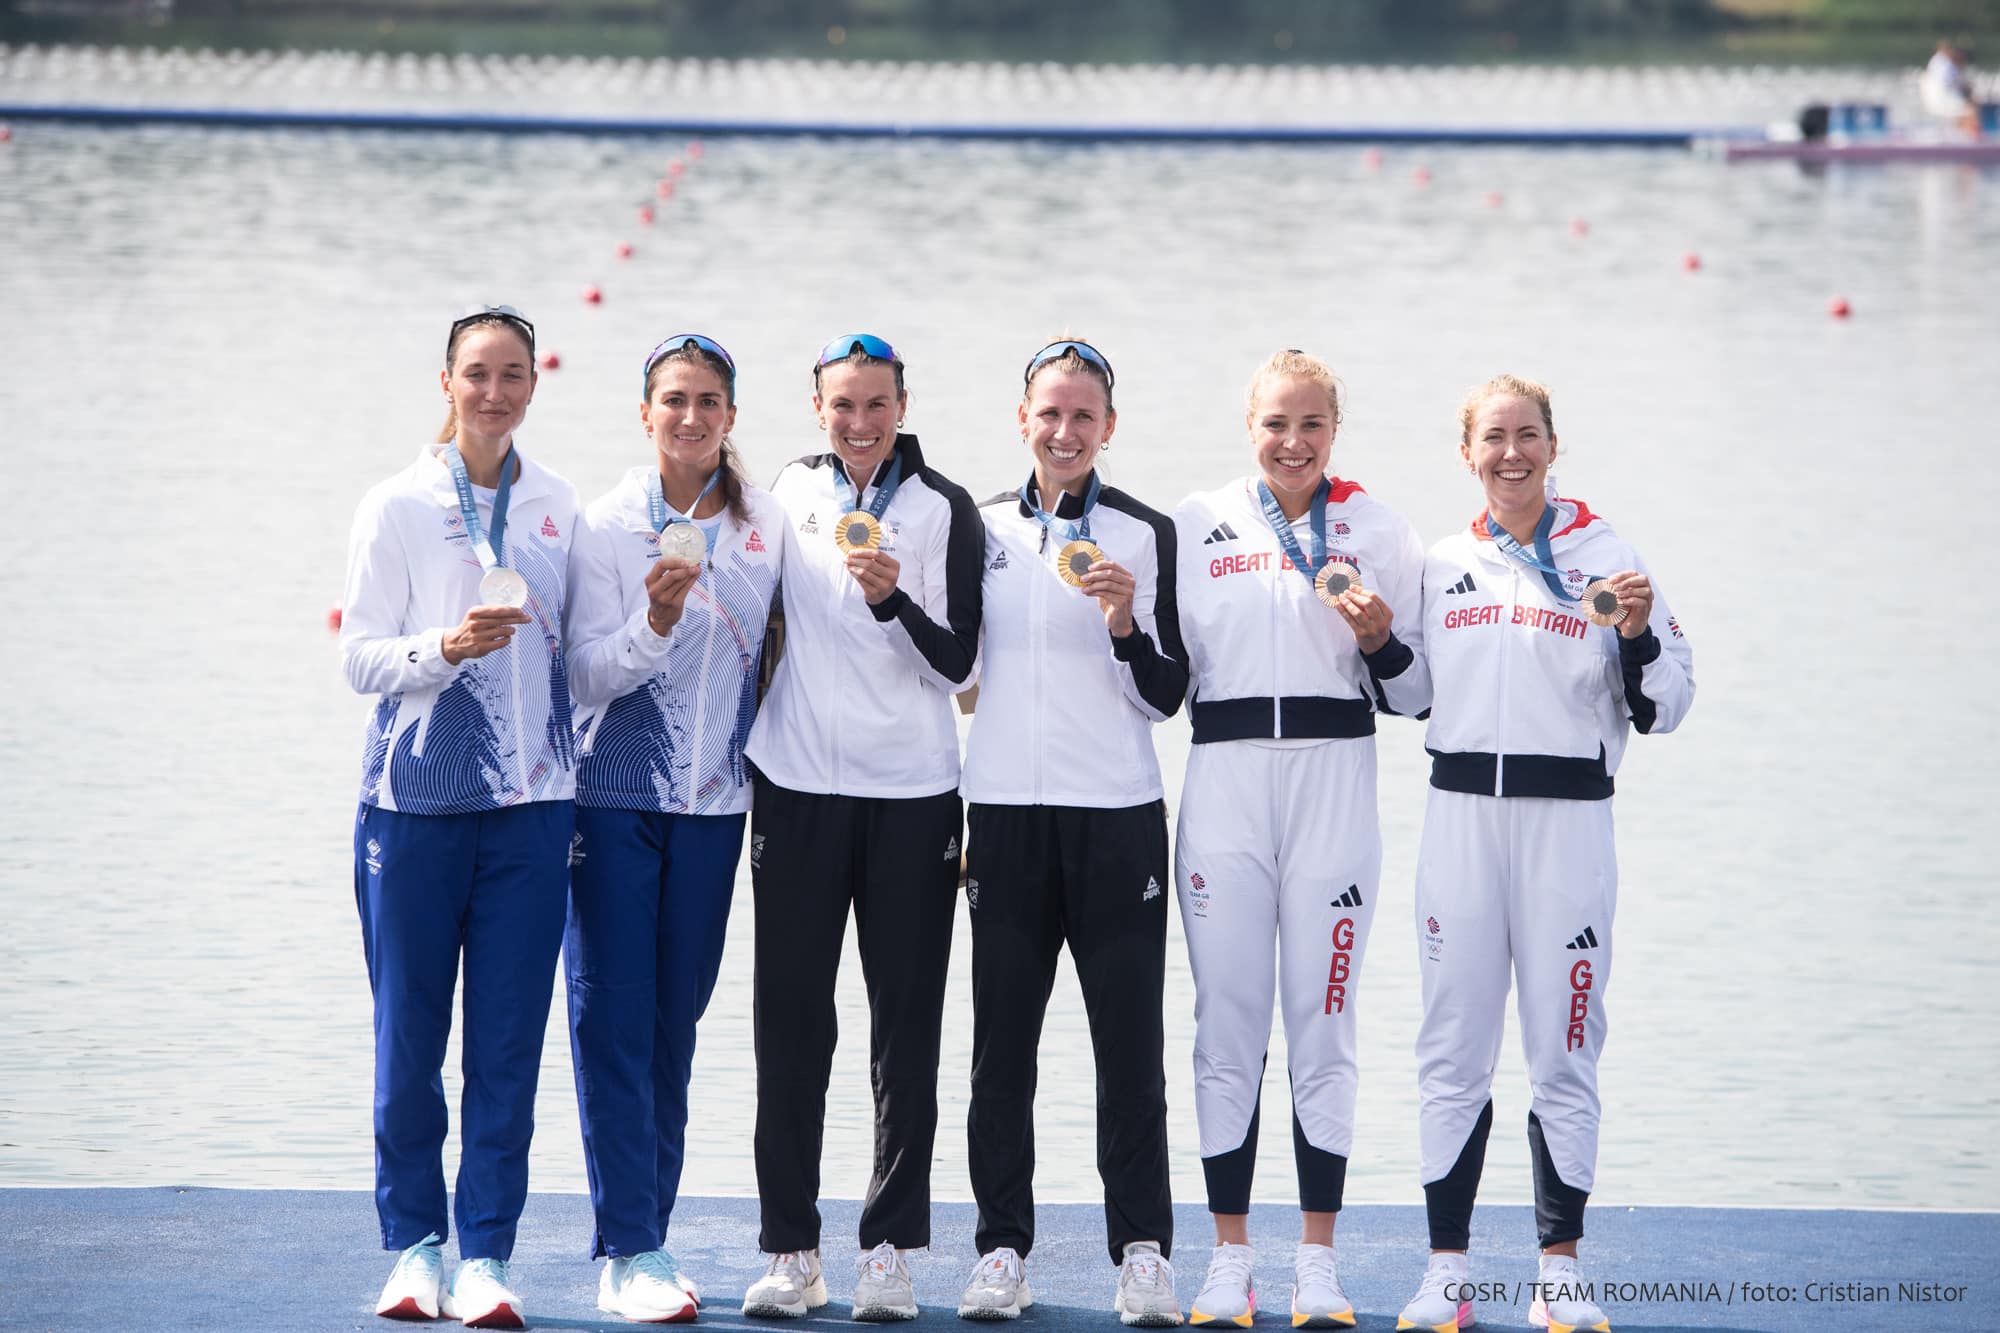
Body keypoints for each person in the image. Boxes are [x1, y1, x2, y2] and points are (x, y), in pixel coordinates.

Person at [1395, 374, 1694, 1333]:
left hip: (1569, 827)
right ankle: (1447, 1273)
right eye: (1493, 439)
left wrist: (1641, 633)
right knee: (1452, 1047)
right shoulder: (1443, 563)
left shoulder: (1610, 556)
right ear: (1467, 454)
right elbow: (1406, 696)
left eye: (1527, 436)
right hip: (1460, 825)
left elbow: (1671, 702)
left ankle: (1559, 1274)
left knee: (1564, 1047)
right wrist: (1370, 642)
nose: (1510, 454)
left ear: (1554, 446)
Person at [1171, 349, 1430, 1331]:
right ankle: (1228, 1259)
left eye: (1311, 424)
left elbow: (1415, 692)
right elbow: (1156, 675)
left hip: (1333, 783)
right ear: (1249, 426)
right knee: (1226, 1029)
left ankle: (1316, 1265)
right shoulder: (1196, 524)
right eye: (1275, 423)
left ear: (1334, 429)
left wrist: (1376, 643)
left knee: (1323, 1031)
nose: (1292, 441)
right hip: (1226, 788)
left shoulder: (1379, 530)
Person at [341, 304, 580, 1329]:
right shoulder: (395, 505)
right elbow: (358, 659)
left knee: (506, 1050)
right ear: (447, 382)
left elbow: (585, 658)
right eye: (477, 373)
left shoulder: (562, 508)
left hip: (531, 809)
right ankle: (413, 1248)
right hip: (413, 807)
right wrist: (445, 647)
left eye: (513, 374)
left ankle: (484, 1251)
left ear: (534, 385)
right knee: (409, 1039)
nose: (494, 392)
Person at [739, 334, 984, 1321]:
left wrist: (893, 603)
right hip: (794, 790)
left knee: (905, 1029)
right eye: (842, 405)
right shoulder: (781, 497)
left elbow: (961, 664)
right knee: (789, 1026)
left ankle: (886, 1248)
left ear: (902, 403)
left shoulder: (943, 508)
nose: (859, 423)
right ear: (817, 407)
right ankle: (792, 1249)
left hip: (912, 795)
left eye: (875, 405)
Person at [954, 339, 1188, 1327]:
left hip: (1117, 820)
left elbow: (1168, 694)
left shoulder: (1144, 531)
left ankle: (1141, 1253)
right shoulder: (975, 528)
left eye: (1082, 415)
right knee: (1000, 1049)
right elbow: (953, 670)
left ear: (1108, 428)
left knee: (1127, 1049)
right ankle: (1001, 1248)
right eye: (1048, 413)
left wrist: (1128, 626)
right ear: (1020, 419)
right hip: (1002, 817)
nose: (1063, 430)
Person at [563, 333, 786, 1323]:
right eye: (671, 399)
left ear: (730, 416)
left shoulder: (764, 524)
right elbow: (583, 677)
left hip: (714, 809)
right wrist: (653, 621)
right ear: (643, 412)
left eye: (707, 400)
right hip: (612, 799)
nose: (689, 415)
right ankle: (629, 1248)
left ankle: (644, 1232)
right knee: (612, 1018)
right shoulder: (605, 525)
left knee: (673, 1026)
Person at [1920, 40, 1980, 134]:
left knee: (1967, 108)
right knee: (1972, 111)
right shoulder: (1946, 64)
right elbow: (1964, 88)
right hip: (1942, 102)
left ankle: (1964, 133)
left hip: (1932, 102)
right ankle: (1976, 139)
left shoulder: (1937, 61)